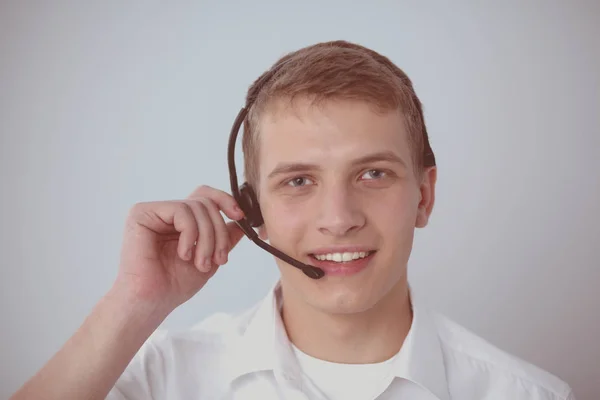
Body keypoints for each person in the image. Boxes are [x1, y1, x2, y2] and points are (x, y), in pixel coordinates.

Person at [11, 40, 575, 400]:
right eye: (299, 181)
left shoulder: (527, 395)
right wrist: (134, 304)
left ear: (424, 196)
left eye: (373, 174)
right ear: (252, 210)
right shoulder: (161, 378)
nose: (338, 219)